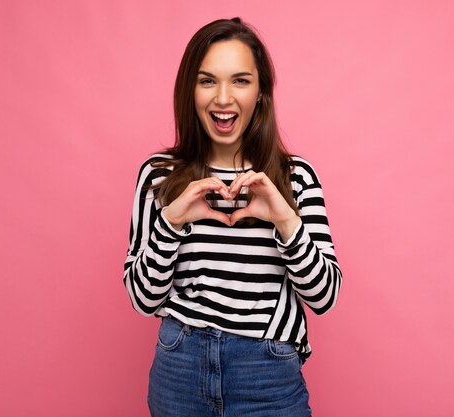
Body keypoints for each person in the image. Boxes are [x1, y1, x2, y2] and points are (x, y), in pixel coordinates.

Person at [123, 17, 342, 417]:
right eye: (207, 81)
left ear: (261, 92)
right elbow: (142, 299)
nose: (223, 98)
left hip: (267, 371)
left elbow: (324, 297)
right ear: (190, 91)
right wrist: (169, 224)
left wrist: (285, 221)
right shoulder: (159, 175)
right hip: (180, 367)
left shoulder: (296, 177)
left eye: (240, 80)